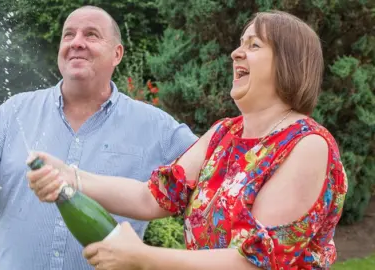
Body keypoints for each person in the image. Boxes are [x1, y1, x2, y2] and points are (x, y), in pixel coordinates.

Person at [27, 10, 348, 270]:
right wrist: (69, 175)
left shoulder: (307, 145)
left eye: (253, 45)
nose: (236, 52)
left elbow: (255, 262)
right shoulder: (225, 134)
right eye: (240, 43)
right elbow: (152, 197)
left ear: (288, 61)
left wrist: (144, 258)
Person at [0, 5, 197, 270]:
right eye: (68, 35)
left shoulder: (156, 127)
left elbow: (216, 176)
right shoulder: (13, 112)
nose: (77, 43)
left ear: (117, 54)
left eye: (91, 35)